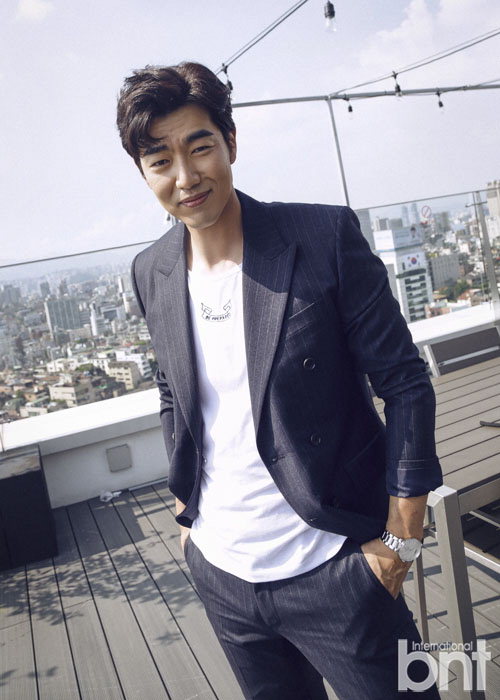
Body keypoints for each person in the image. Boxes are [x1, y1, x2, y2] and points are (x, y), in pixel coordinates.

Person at [117, 61, 443, 699]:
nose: (185, 177)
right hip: (224, 577)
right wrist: (187, 514)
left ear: (231, 143)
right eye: (160, 160)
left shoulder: (321, 237)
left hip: (339, 566)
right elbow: (172, 392)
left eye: (200, 147)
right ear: (143, 173)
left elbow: (405, 381)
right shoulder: (151, 271)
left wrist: (401, 540)